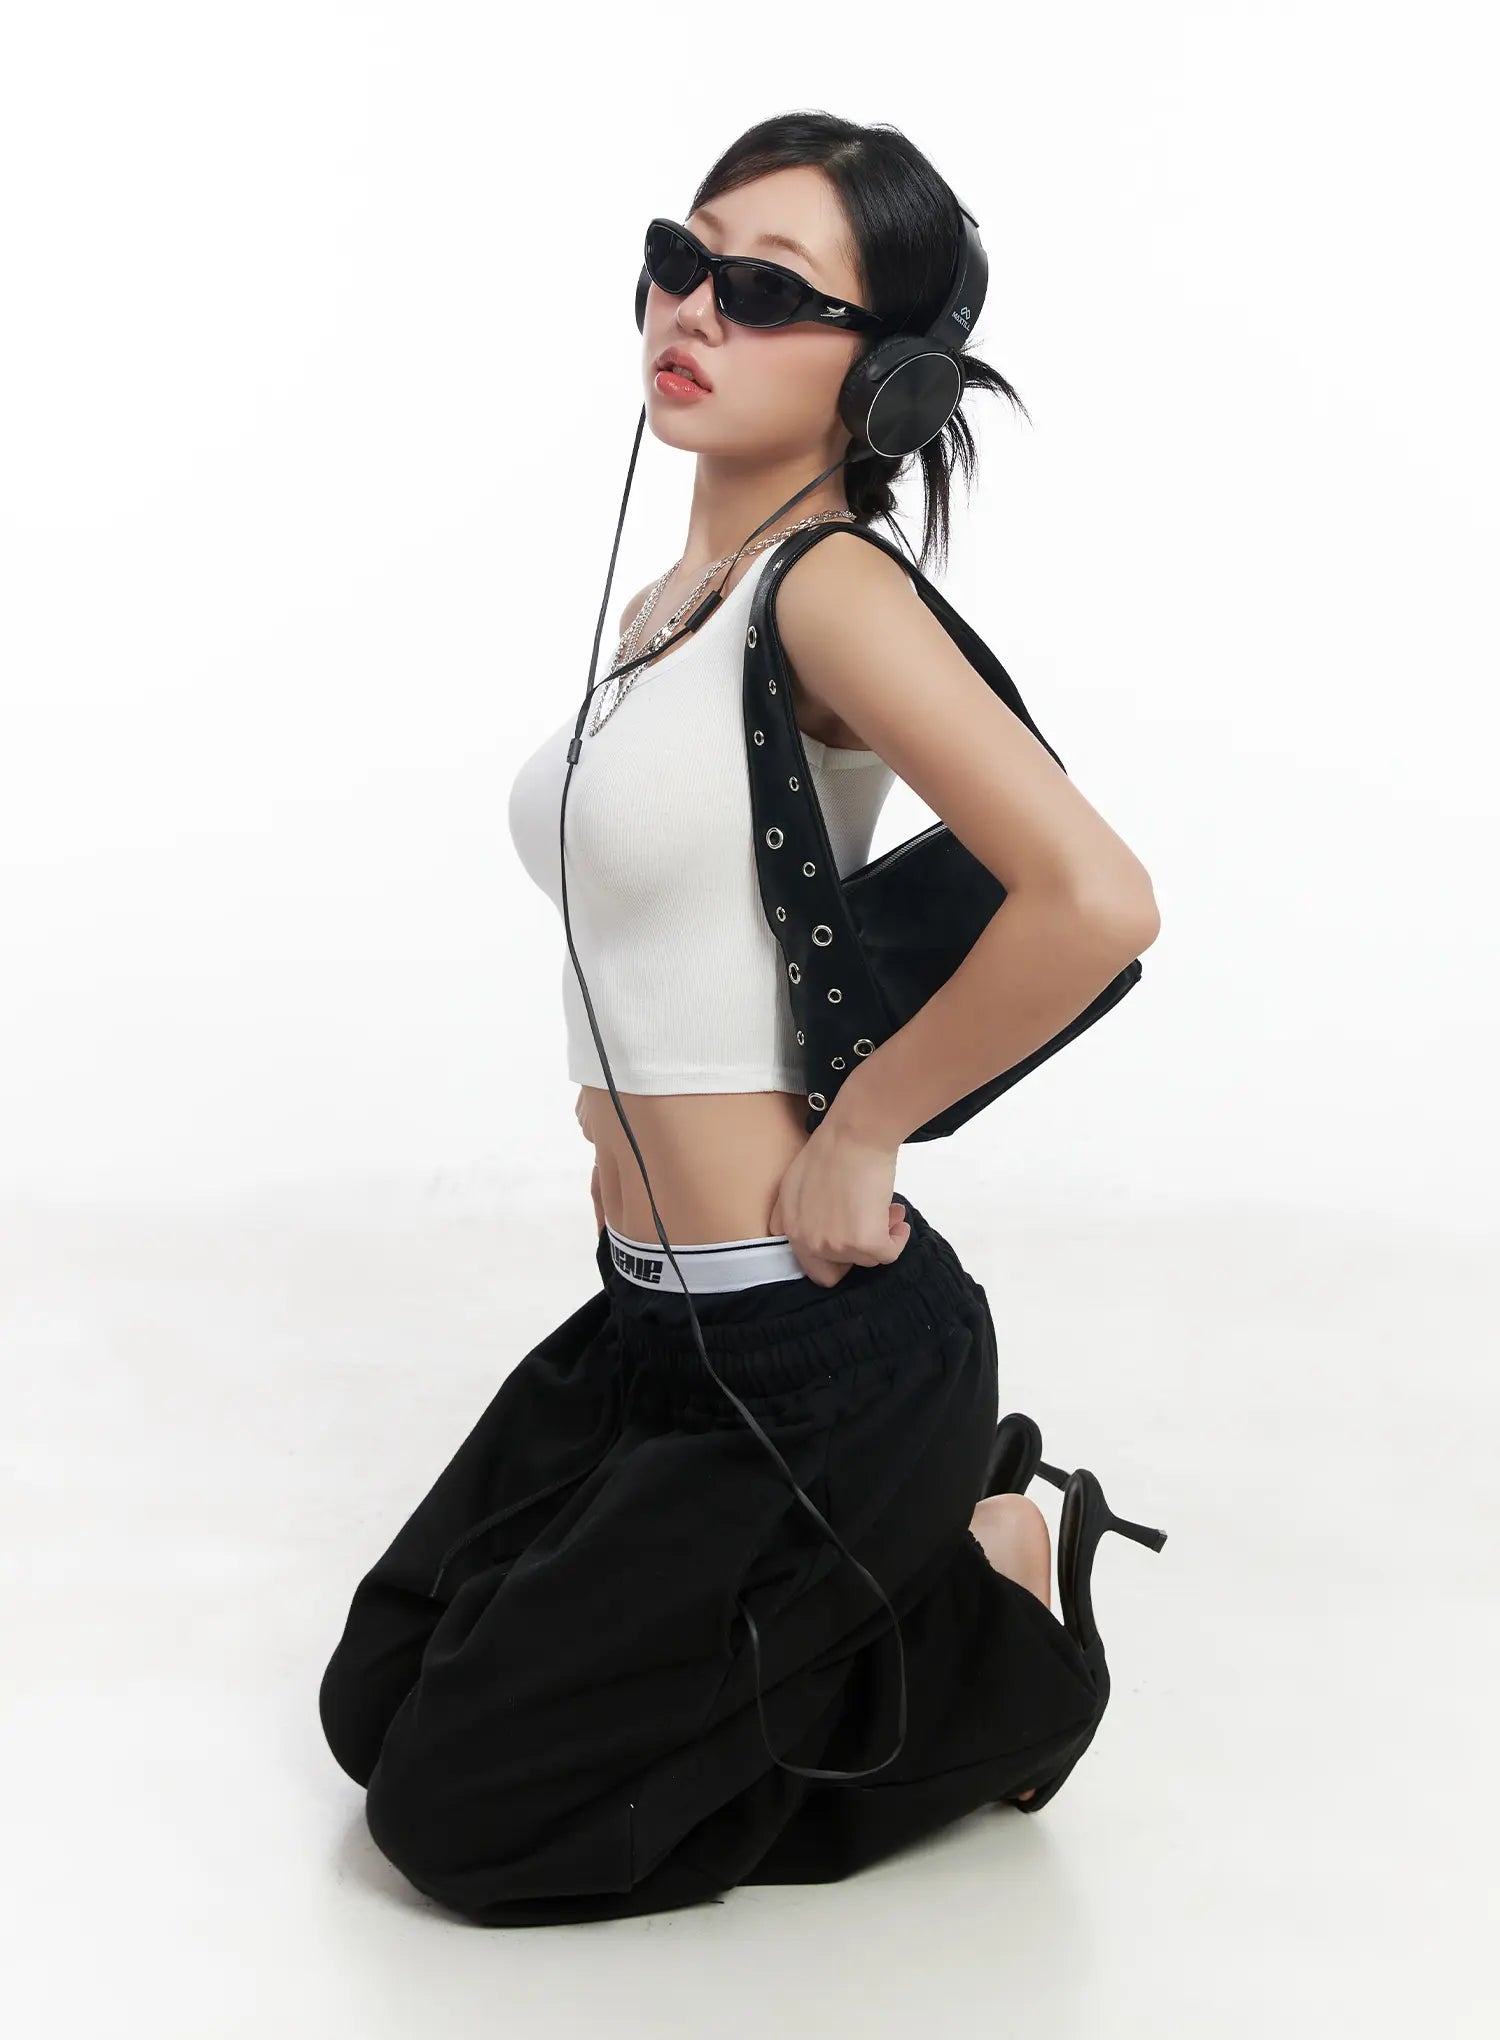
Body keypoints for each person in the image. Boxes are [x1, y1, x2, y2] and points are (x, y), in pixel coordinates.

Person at [317, 112, 1163, 1927]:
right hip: (651, 1327)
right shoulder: (669, 606)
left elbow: (1095, 899)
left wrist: (864, 1127)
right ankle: (897, 1571)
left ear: (890, 376)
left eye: (769, 292)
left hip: (814, 1349)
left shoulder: (829, 592)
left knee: (466, 1826)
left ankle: (1004, 1618)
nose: (694, 308)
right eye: (681, 260)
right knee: (376, 1703)